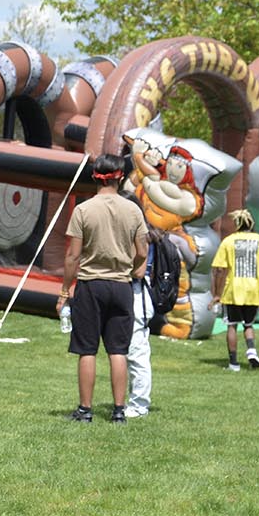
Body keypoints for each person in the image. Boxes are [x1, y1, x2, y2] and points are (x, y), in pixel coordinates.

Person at [57, 152, 149, 423]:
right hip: (121, 287)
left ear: (95, 177)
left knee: (87, 349)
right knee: (118, 350)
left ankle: (85, 410)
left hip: (90, 286)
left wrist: (64, 291)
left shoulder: (83, 210)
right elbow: (142, 250)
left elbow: (73, 256)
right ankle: (119, 411)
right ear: (120, 177)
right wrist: (130, 269)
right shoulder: (133, 209)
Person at [210, 209, 259, 371]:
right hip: (254, 290)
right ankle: (251, 350)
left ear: (237, 224)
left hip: (233, 291)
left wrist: (217, 294)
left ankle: (233, 363)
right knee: (249, 324)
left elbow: (219, 269)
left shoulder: (229, 241)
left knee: (232, 325)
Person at [124, 227, 163, 417]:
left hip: (138, 294)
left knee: (136, 351)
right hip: (140, 296)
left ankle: (139, 404)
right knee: (133, 350)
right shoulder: (148, 233)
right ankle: (136, 400)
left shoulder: (139, 236)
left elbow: (138, 271)